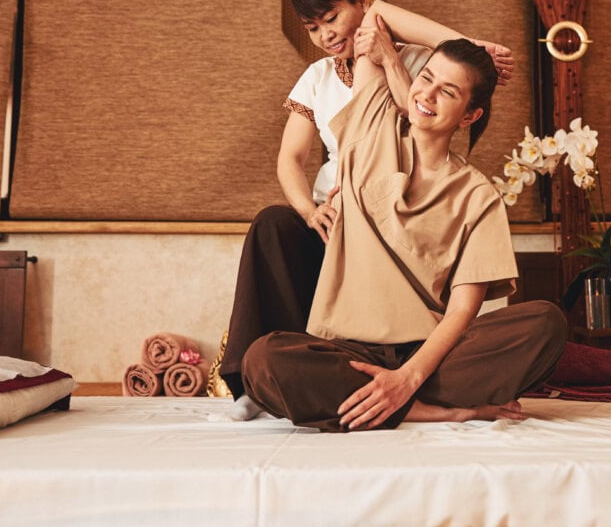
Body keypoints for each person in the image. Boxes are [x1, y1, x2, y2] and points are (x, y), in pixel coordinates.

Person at [219, 0, 515, 403]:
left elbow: (420, 115)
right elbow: (289, 158)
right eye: (312, 28)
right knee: (273, 225)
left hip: (392, 214)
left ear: (360, 2)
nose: (325, 34)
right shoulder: (317, 78)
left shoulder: (417, 64)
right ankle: (250, 385)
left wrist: (470, 47)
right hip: (335, 217)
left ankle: (381, 376)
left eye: (332, 17)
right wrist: (310, 210)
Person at [239, 39, 568, 431]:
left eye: (448, 92)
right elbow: (372, 22)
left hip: (430, 358)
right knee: (263, 360)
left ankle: (387, 397)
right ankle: (434, 411)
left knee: (545, 322)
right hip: (349, 352)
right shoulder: (368, 131)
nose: (427, 94)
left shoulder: (478, 195)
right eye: (426, 78)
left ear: (470, 115)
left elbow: (462, 312)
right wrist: (460, 47)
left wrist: (408, 377)